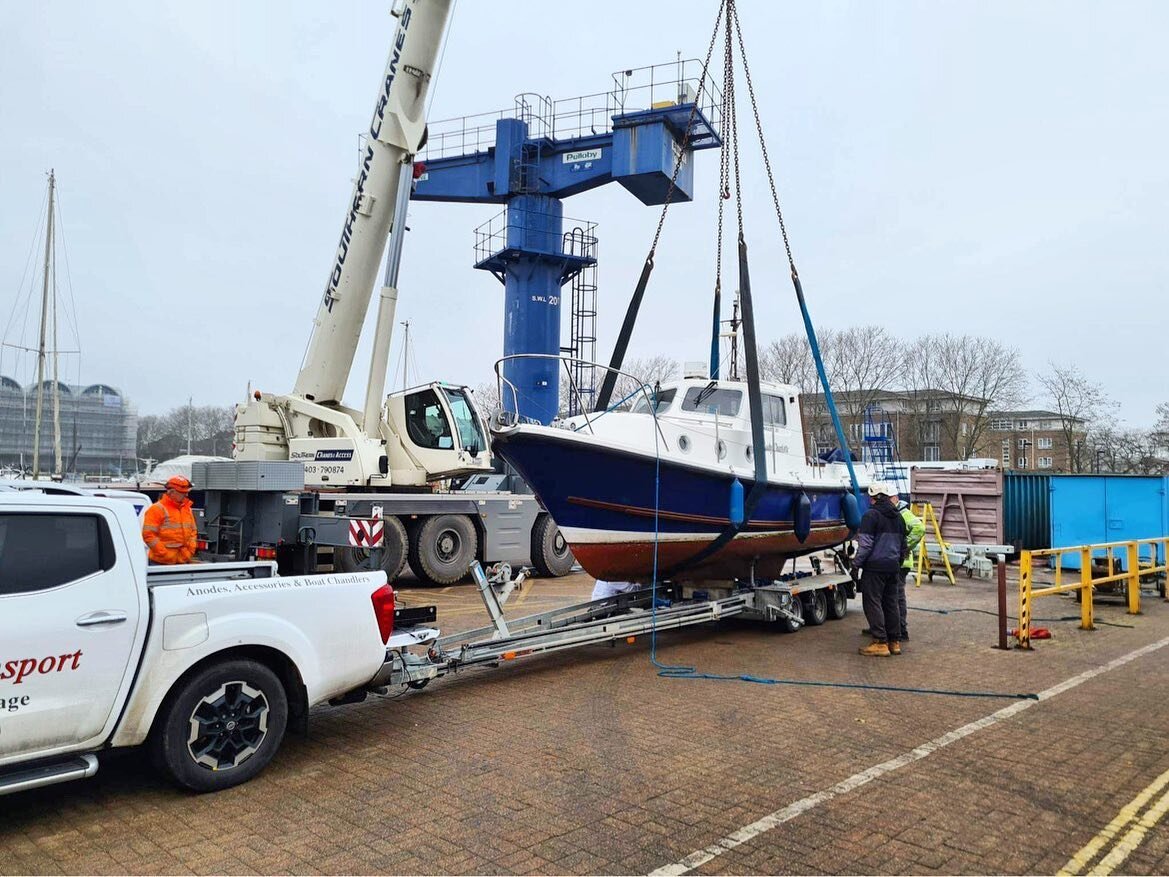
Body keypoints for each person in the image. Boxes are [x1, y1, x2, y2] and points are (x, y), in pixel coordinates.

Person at [852, 482, 907, 657]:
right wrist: (897, 563)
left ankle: (880, 642)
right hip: (893, 567)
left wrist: (856, 565)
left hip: (875, 568)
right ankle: (894, 642)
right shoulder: (899, 517)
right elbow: (903, 546)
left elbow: (865, 545)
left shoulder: (871, 516)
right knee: (891, 604)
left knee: (872, 602)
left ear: (874, 498)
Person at [142, 476, 198, 565]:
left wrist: (190, 551)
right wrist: (163, 553)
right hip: (160, 561)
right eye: (183, 493)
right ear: (172, 492)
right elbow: (148, 535)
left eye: (186, 492)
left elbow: (193, 531)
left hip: (182, 559)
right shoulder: (157, 509)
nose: (186, 495)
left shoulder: (187, 509)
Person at [893, 492, 926, 643]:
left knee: (897, 597)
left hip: (901, 563)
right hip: (899, 561)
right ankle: (895, 627)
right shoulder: (897, 513)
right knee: (893, 596)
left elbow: (919, 528)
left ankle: (901, 630)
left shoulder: (903, 514)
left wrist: (904, 546)